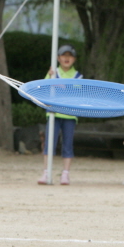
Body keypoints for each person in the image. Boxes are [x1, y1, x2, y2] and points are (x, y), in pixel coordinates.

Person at [38, 45, 82, 186]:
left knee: (67, 145)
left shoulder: (78, 76)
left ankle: (65, 174)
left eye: (70, 56)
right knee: (49, 144)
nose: (66, 58)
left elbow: (77, 94)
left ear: (74, 59)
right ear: (58, 58)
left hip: (70, 115)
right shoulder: (53, 73)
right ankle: (46, 172)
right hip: (53, 113)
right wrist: (50, 77)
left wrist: (62, 87)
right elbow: (44, 88)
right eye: (63, 55)